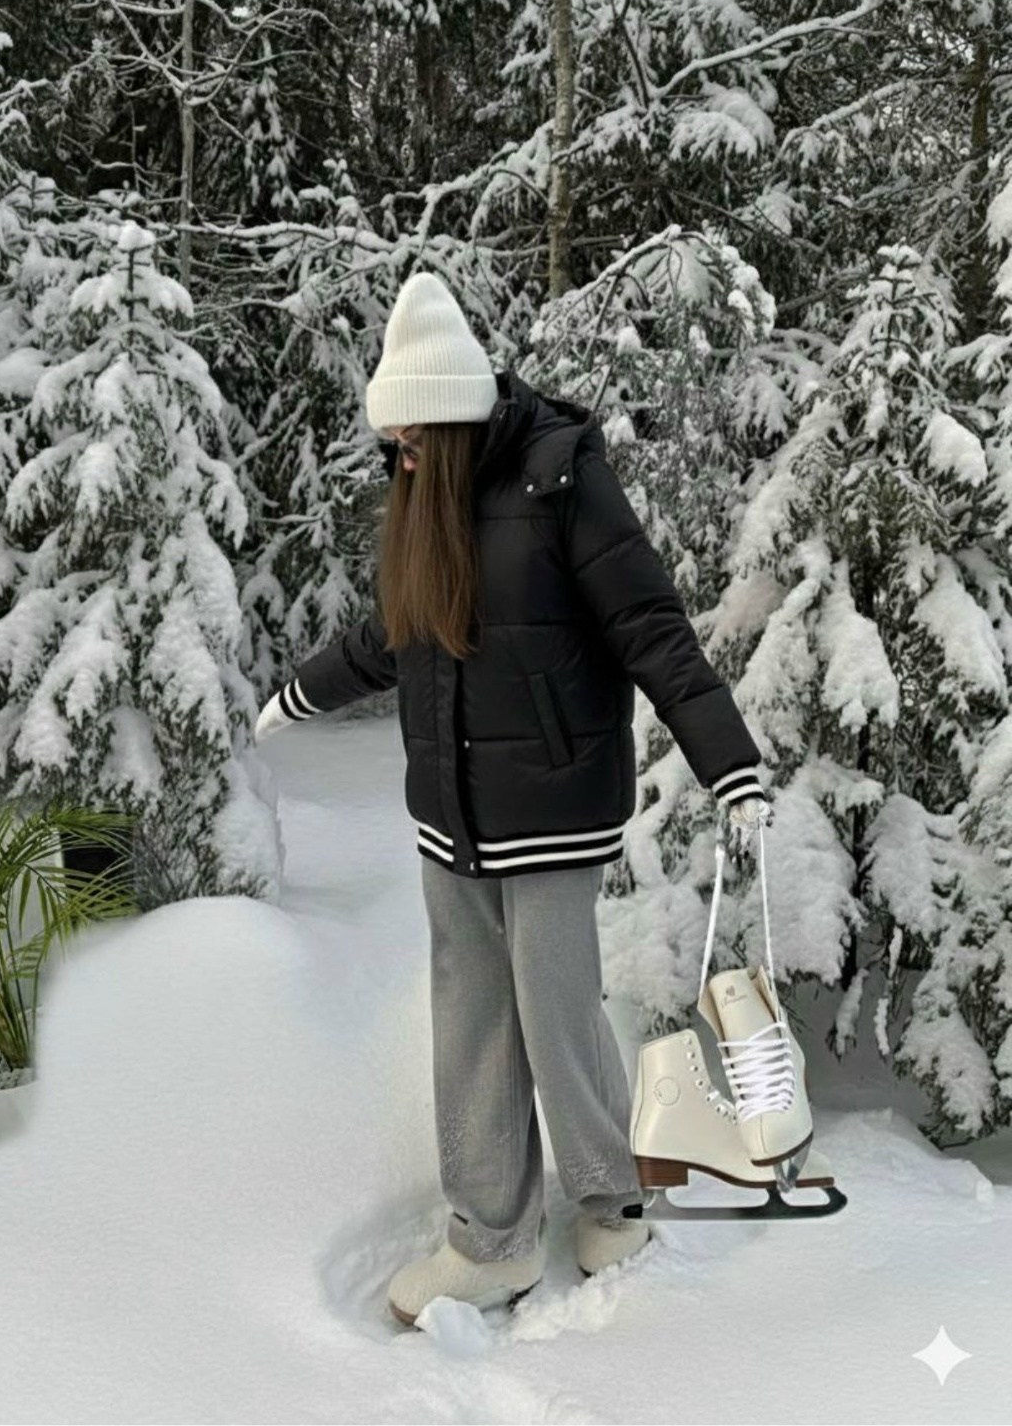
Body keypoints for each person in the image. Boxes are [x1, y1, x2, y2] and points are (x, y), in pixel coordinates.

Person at [254, 271, 773, 1326]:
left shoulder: (559, 477)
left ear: (447, 421)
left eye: (408, 437)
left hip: (552, 804)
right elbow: (395, 632)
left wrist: (730, 761)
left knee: (555, 1013)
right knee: (470, 1026)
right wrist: (302, 691)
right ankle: (488, 1241)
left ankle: (612, 1201)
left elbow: (651, 628)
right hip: (449, 816)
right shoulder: (423, 490)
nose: (396, 453)